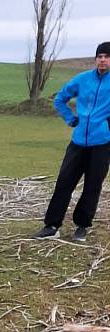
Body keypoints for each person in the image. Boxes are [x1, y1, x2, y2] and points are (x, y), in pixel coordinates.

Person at [33, 42, 110, 242]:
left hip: (102, 143)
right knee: (64, 182)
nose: (103, 60)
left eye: (107, 57)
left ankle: (82, 226)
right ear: (95, 59)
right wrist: (70, 118)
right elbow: (60, 99)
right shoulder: (83, 79)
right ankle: (52, 225)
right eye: (100, 56)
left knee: (92, 185)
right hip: (78, 143)